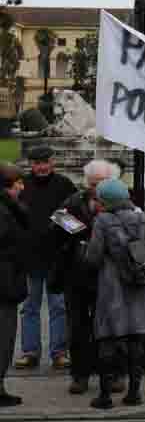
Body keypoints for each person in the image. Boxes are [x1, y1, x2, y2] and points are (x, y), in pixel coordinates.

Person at [49, 160, 125, 395]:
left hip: (109, 274)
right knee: (78, 326)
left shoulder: (119, 202)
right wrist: (82, 231)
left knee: (112, 326)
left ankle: (112, 374)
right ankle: (80, 375)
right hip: (78, 274)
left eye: (100, 183)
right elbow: (56, 222)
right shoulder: (75, 201)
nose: (96, 188)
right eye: (92, 183)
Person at [85, 178, 145, 409]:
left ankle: (105, 395)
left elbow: (93, 258)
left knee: (107, 338)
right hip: (140, 285)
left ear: (106, 200)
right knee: (136, 339)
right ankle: (134, 393)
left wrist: (83, 251)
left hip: (113, 286)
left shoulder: (103, 221)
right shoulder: (143, 217)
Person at [15, 145, 77, 370]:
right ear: (30, 164)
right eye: (36, 163)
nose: (41, 167)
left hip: (56, 256)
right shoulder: (22, 185)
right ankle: (30, 352)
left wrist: (59, 226)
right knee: (29, 306)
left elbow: (74, 216)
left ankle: (59, 352)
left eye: (45, 162)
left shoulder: (64, 185)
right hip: (29, 256)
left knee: (58, 306)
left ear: (53, 162)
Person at [0, 164, 29, 406]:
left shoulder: (10, 209)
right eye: (18, 183)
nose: (22, 186)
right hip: (4, 283)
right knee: (4, 337)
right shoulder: (4, 211)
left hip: (8, 280)